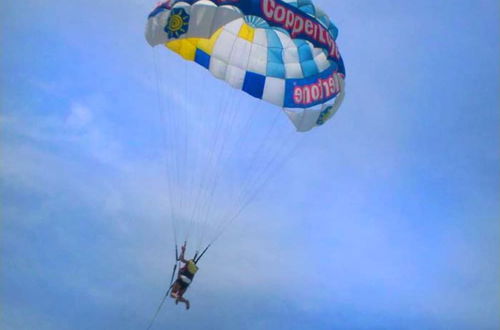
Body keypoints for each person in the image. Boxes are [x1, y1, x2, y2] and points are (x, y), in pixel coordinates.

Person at [170, 242, 198, 310]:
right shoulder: (194, 269)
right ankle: (184, 301)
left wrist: (183, 250)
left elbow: (181, 259)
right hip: (187, 283)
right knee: (179, 295)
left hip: (184, 280)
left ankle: (178, 298)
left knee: (172, 294)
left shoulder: (189, 263)